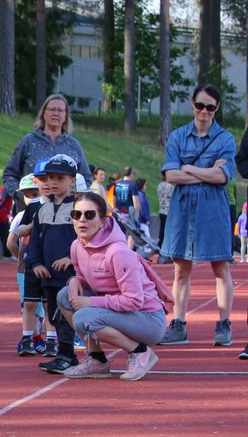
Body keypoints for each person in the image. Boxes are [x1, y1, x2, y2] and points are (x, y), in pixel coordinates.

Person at [57, 192, 168, 381]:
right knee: (64, 295)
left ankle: (141, 352)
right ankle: (97, 360)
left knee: (83, 317)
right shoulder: (77, 246)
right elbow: (84, 277)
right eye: (76, 214)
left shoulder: (118, 252)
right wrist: (75, 280)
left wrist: (90, 302)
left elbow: (134, 301)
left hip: (147, 319)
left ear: (102, 221)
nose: (82, 220)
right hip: (118, 311)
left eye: (89, 215)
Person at [158, 84, 237, 347]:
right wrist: (206, 172)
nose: (204, 111)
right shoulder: (177, 137)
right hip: (182, 209)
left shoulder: (226, 139)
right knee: (180, 269)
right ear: (193, 104)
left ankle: (224, 325)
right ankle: (179, 324)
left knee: (221, 267)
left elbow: (222, 177)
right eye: (200, 105)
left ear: (217, 108)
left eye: (210, 107)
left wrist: (187, 167)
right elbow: (170, 175)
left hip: (213, 209)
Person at [25, 154, 82, 374]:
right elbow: (34, 242)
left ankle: (68, 355)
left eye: (60, 178)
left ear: (72, 181)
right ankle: (65, 355)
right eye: (50, 178)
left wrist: (71, 258)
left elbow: (86, 240)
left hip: (71, 275)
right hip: (48, 275)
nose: (53, 183)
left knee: (67, 315)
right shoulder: (42, 210)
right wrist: (35, 264)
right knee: (54, 316)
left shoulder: (79, 209)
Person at [0, 93, 92, 213]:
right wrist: (22, 196)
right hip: (30, 213)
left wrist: (74, 198)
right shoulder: (29, 141)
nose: (56, 113)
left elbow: (86, 178)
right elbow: (9, 175)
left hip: (65, 214)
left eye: (60, 110)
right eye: (52, 109)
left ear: (65, 116)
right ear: (44, 113)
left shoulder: (74, 145)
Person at [7, 174, 48, 356]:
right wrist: (22, 258)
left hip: (41, 264)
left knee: (40, 306)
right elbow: (11, 242)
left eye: (35, 194)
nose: (31, 198)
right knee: (30, 305)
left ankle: (36, 337)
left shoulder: (46, 211)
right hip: (27, 267)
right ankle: (33, 337)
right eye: (27, 195)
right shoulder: (21, 216)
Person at [155, 180, 174, 263]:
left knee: (162, 232)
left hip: (161, 210)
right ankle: (167, 252)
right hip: (169, 212)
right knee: (169, 233)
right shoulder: (170, 187)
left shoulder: (160, 185)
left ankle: (161, 250)